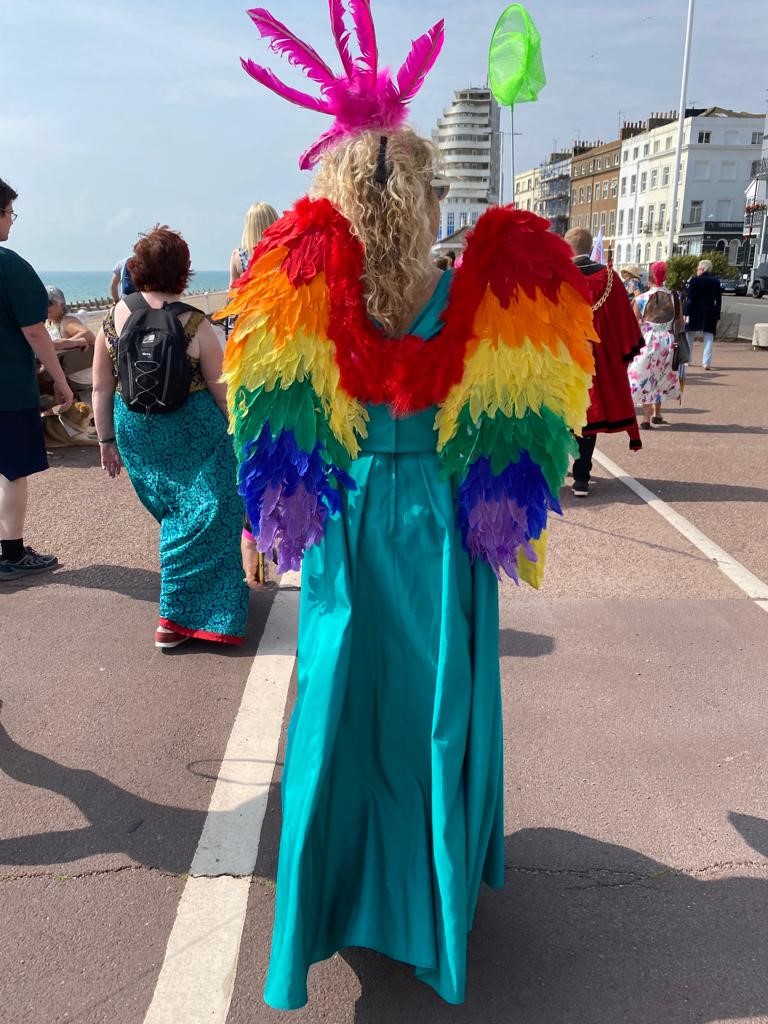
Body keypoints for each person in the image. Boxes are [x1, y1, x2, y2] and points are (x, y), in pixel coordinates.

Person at [220, 4, 595, 1010]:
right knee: (439, 708)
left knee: (340, 706)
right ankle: (431, 901)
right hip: (438, 524)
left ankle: (333, 896)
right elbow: (520, 432)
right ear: (428, 200)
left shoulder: (297, 292)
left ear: (333, 194)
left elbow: (260, 415)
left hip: (348, 516)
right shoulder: (474, 289)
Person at [92, 225, 249, 648]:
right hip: (193, 430)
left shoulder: (111, 320)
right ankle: (177, 618)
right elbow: (221, 391)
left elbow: (102, 388)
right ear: (183, 272)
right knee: (210, 510)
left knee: (177, 514)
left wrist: (107, 442)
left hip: (137, 431)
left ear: (137, 269)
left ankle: (192, 605)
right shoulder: (195, 323)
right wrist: (240, 436)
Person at [0, 177, 73, 580]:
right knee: (12, 469)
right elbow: (35, 330)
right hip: (8, 389)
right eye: (10, 213)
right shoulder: (9, 265)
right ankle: (11, 553)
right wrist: (61, 382)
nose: (12, 222)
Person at [564, 227, 642, 497]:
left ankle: (558, 468)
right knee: (589, 414)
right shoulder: (610, 278)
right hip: (596, 359)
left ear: (567, 248)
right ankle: (582, 477)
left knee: (560, 414)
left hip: (563, 359)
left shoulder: (556, 278)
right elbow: (624, 322)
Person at [627, 260, 682, 428]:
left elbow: (632, 322)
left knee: (645, 377)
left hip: (648, 340)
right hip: (668, 341)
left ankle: (645, 418)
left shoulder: (642, 298)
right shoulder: (674, 297)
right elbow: (680, 321)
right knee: (662, 376)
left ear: (648, 279)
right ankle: (658, 413)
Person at [229, 202, 279, 285]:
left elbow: (232, 293)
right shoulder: (283, 252)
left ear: (249, 226)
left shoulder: (238, 256)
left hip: (249, 298)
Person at [685, 258, 721, 369]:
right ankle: (706, 362)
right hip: (710, 311)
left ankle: (688, 359)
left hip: (694, 311)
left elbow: (690, 299)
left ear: (702, 269)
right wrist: (717, 315)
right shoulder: (716, 281)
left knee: (689, 335)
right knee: (709, 336)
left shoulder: (694, 280)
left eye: (698, 268)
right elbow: (718, 300)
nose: (697, 271)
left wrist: (685, 312)